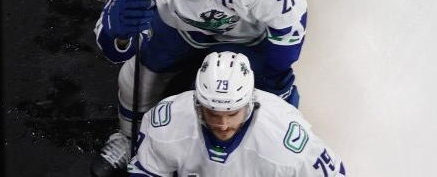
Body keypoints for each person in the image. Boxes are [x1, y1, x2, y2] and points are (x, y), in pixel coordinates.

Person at [91, 0, 309, 173]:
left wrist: (273, 69)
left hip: (245, 39)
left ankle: (276, 150)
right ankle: (130, 137)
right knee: (134, 77)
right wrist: (118, 33)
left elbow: (290, 18)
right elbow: (110, 46)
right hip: (178, 28)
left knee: (273, 93)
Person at [124, 51, 346, 175]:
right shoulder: (168, 121)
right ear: (197, 104)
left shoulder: (285, 141)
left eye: (232, 114)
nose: (222, 124)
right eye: (213, 113)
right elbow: (147, 171)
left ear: (250, 103)